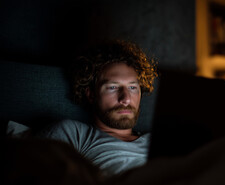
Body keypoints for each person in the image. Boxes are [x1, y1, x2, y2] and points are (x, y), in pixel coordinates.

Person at [38, 40, 158, 177]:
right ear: (91, 94)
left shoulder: (157, 140)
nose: (126, 98)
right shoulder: (74, 134)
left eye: (132, 87)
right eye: (113, 87)